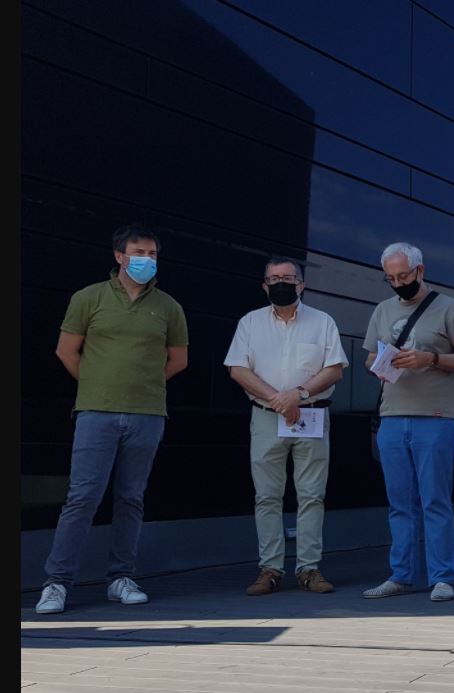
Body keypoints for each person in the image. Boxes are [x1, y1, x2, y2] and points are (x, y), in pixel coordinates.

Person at [36, 224, 189, 614]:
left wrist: (143, 385)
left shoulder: (168, 307)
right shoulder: (88, 298)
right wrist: (98, 384)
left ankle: (121, 578)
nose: (147, 260)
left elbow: (178, 360)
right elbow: (66, 351)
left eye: (153, 254)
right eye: (139, 253)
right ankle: (56, 583)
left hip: (148, 415)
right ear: (120, 256)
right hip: (96, 413)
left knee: (131, 498)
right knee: (82, 497)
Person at [224, 257, 348, 596]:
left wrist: (298, 394)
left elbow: (334, 369)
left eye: (288, 278)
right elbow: (237, 369)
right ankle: (270, 569)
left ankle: (309, 568)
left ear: (301, 285)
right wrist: (279, 399)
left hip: (311, 416)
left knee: (312, 496)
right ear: (264, 285)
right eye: (274, 278)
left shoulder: (322, 321)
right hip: (266, 417)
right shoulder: (250, 323)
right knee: (266, 496)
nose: (281, 283)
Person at [362, 242, 454, 602]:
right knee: (399, 503)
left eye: (403, 276)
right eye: (391, 278)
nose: (398, 283)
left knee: (434, 501)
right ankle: (401, 575)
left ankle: (442, 578)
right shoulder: (382, 309)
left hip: (436, 417)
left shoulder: (449, 307)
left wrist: (430, 358)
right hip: (392, 416)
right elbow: (368, 358)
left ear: (420, 271)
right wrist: (382, 364)